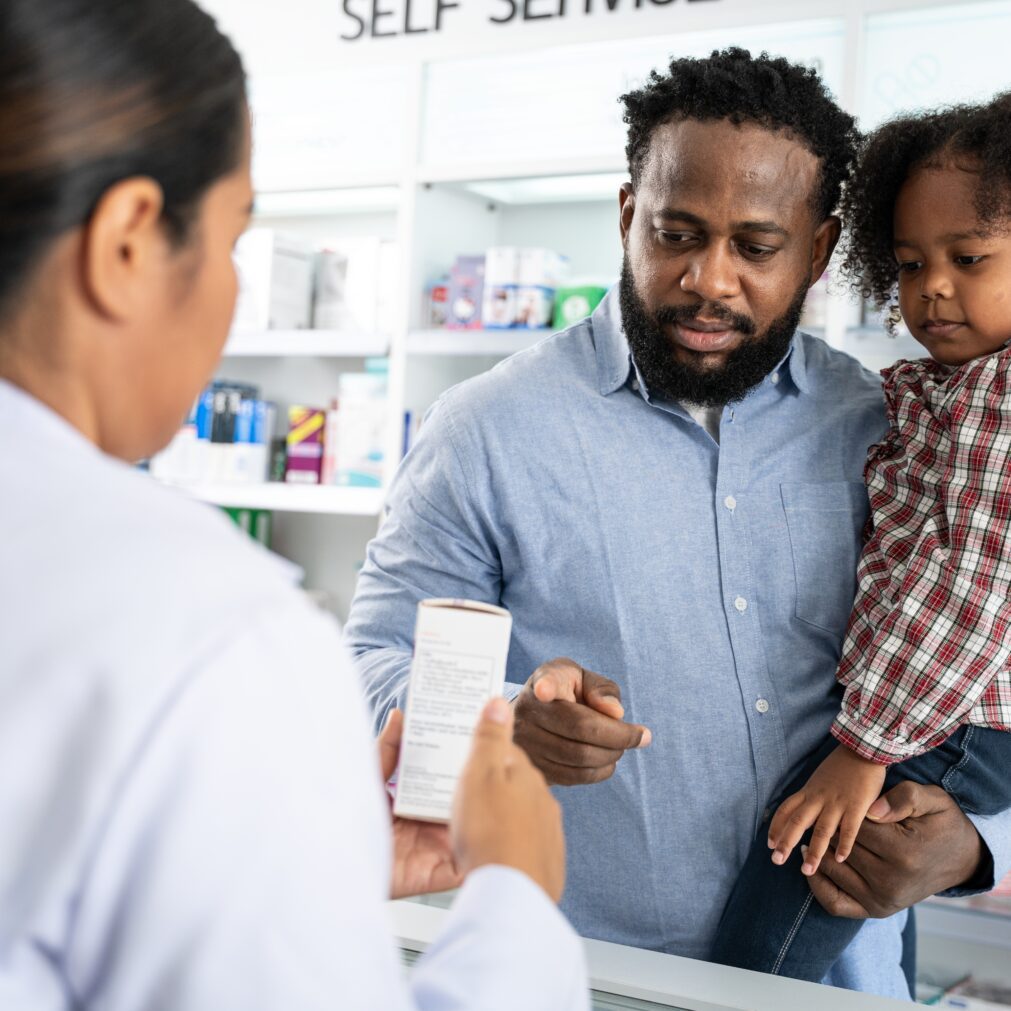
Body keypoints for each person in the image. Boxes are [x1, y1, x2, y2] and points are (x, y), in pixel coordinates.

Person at [344, 48, 1011, 1000]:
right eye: (675, 233)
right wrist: (503, 718)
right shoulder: (488, 430)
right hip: (582, 977)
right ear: (627, 217)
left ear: (819, 252)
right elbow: (372, 654)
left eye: (756, 245)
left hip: (843, 981)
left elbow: (993, 644)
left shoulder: (888, 427)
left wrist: (975, 842)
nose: (709, 279)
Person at [0, 2, 589, 1009]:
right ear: (130, 241)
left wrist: (296, 855)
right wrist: (515, 899)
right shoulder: (209, 630)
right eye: (234, 237)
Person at [710, 92, 1011, 983]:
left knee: (797, 877)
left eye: (969, 258)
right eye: (911, 263)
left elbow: (970, 585)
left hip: (937, 718)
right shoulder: (947, 388)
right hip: (924, 710)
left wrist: (861, 749)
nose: (933, 289)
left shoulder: (999, 401)